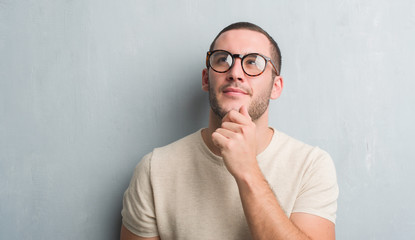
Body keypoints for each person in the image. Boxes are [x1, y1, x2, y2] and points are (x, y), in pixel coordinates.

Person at [120, 22, 338, 240]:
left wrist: (248, 172)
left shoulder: (311, 165)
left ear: (276, 87)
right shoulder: (154, 170)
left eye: (253, 62)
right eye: (223, 59)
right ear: (206, 79)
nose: (235, 73)